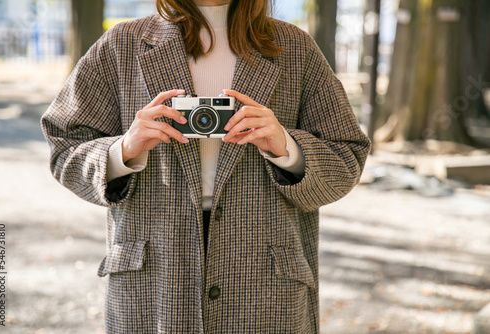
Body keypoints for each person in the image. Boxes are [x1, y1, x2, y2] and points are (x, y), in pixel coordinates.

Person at [41, 0, 370, 332]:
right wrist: (124, 149)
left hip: (265, 280)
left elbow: (347, 156)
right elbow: (64, 144)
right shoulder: (122, 44)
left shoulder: (294, 48)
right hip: (154, 276)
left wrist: (288, 147)